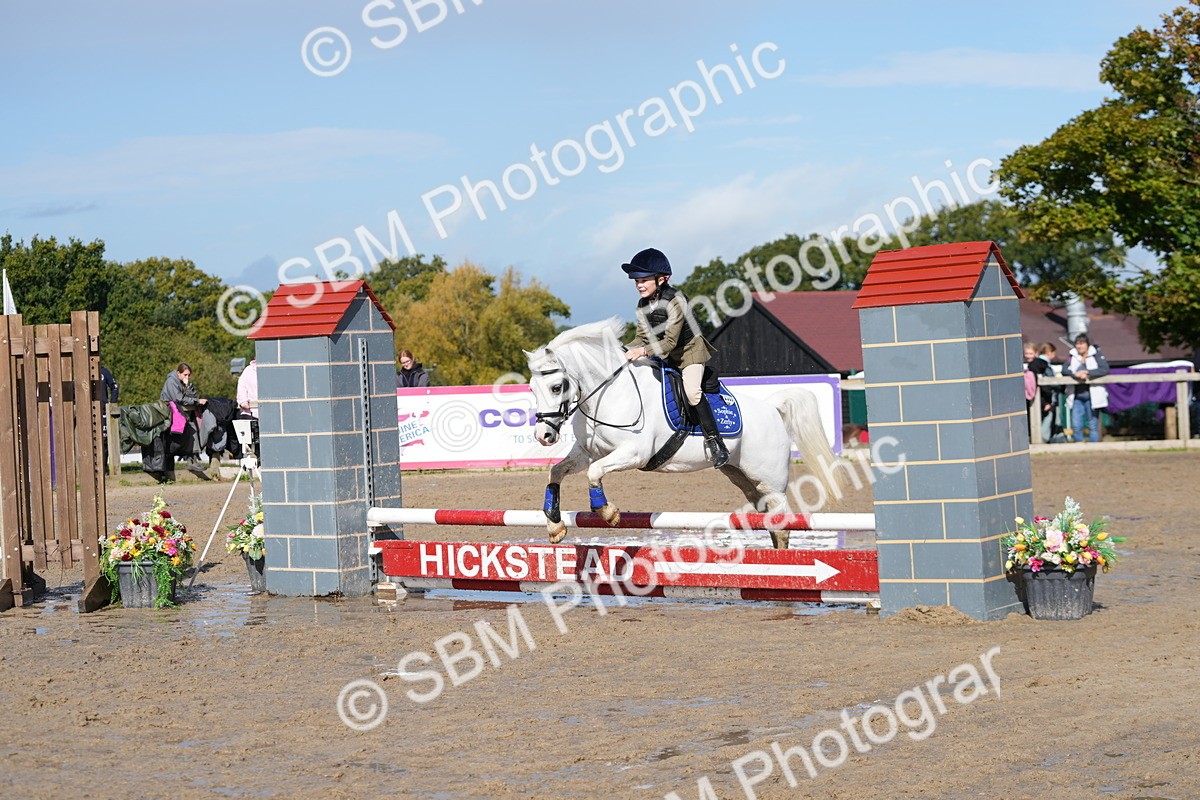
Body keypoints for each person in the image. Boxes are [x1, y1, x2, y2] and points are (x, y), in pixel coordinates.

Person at [621, 247, 728, 468]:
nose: (639, 285)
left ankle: (716, 442)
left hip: (689, 352)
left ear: (661, 279)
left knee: (692, 392)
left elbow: (670, 342)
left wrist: (641, 351)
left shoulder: (675, 300)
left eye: (644, 280)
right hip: (664, 353)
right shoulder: (642, 305)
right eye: (636, 281)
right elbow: (641, 337)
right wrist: (620, 351)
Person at [1065, 334, 1109, 443]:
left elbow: (1104, 369)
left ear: (1087, 345)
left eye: (1082, 344)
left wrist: (1088, 372)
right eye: (1077, 344)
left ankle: (1094, 445)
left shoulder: (1096, 355)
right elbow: (1064, 369)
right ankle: (1078, 444)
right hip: (1076, 396)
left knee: (1093, 423)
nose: (1079, 347)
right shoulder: (1072, 355)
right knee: (1076, 424)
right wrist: (1075, 374)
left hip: (1092, 395)